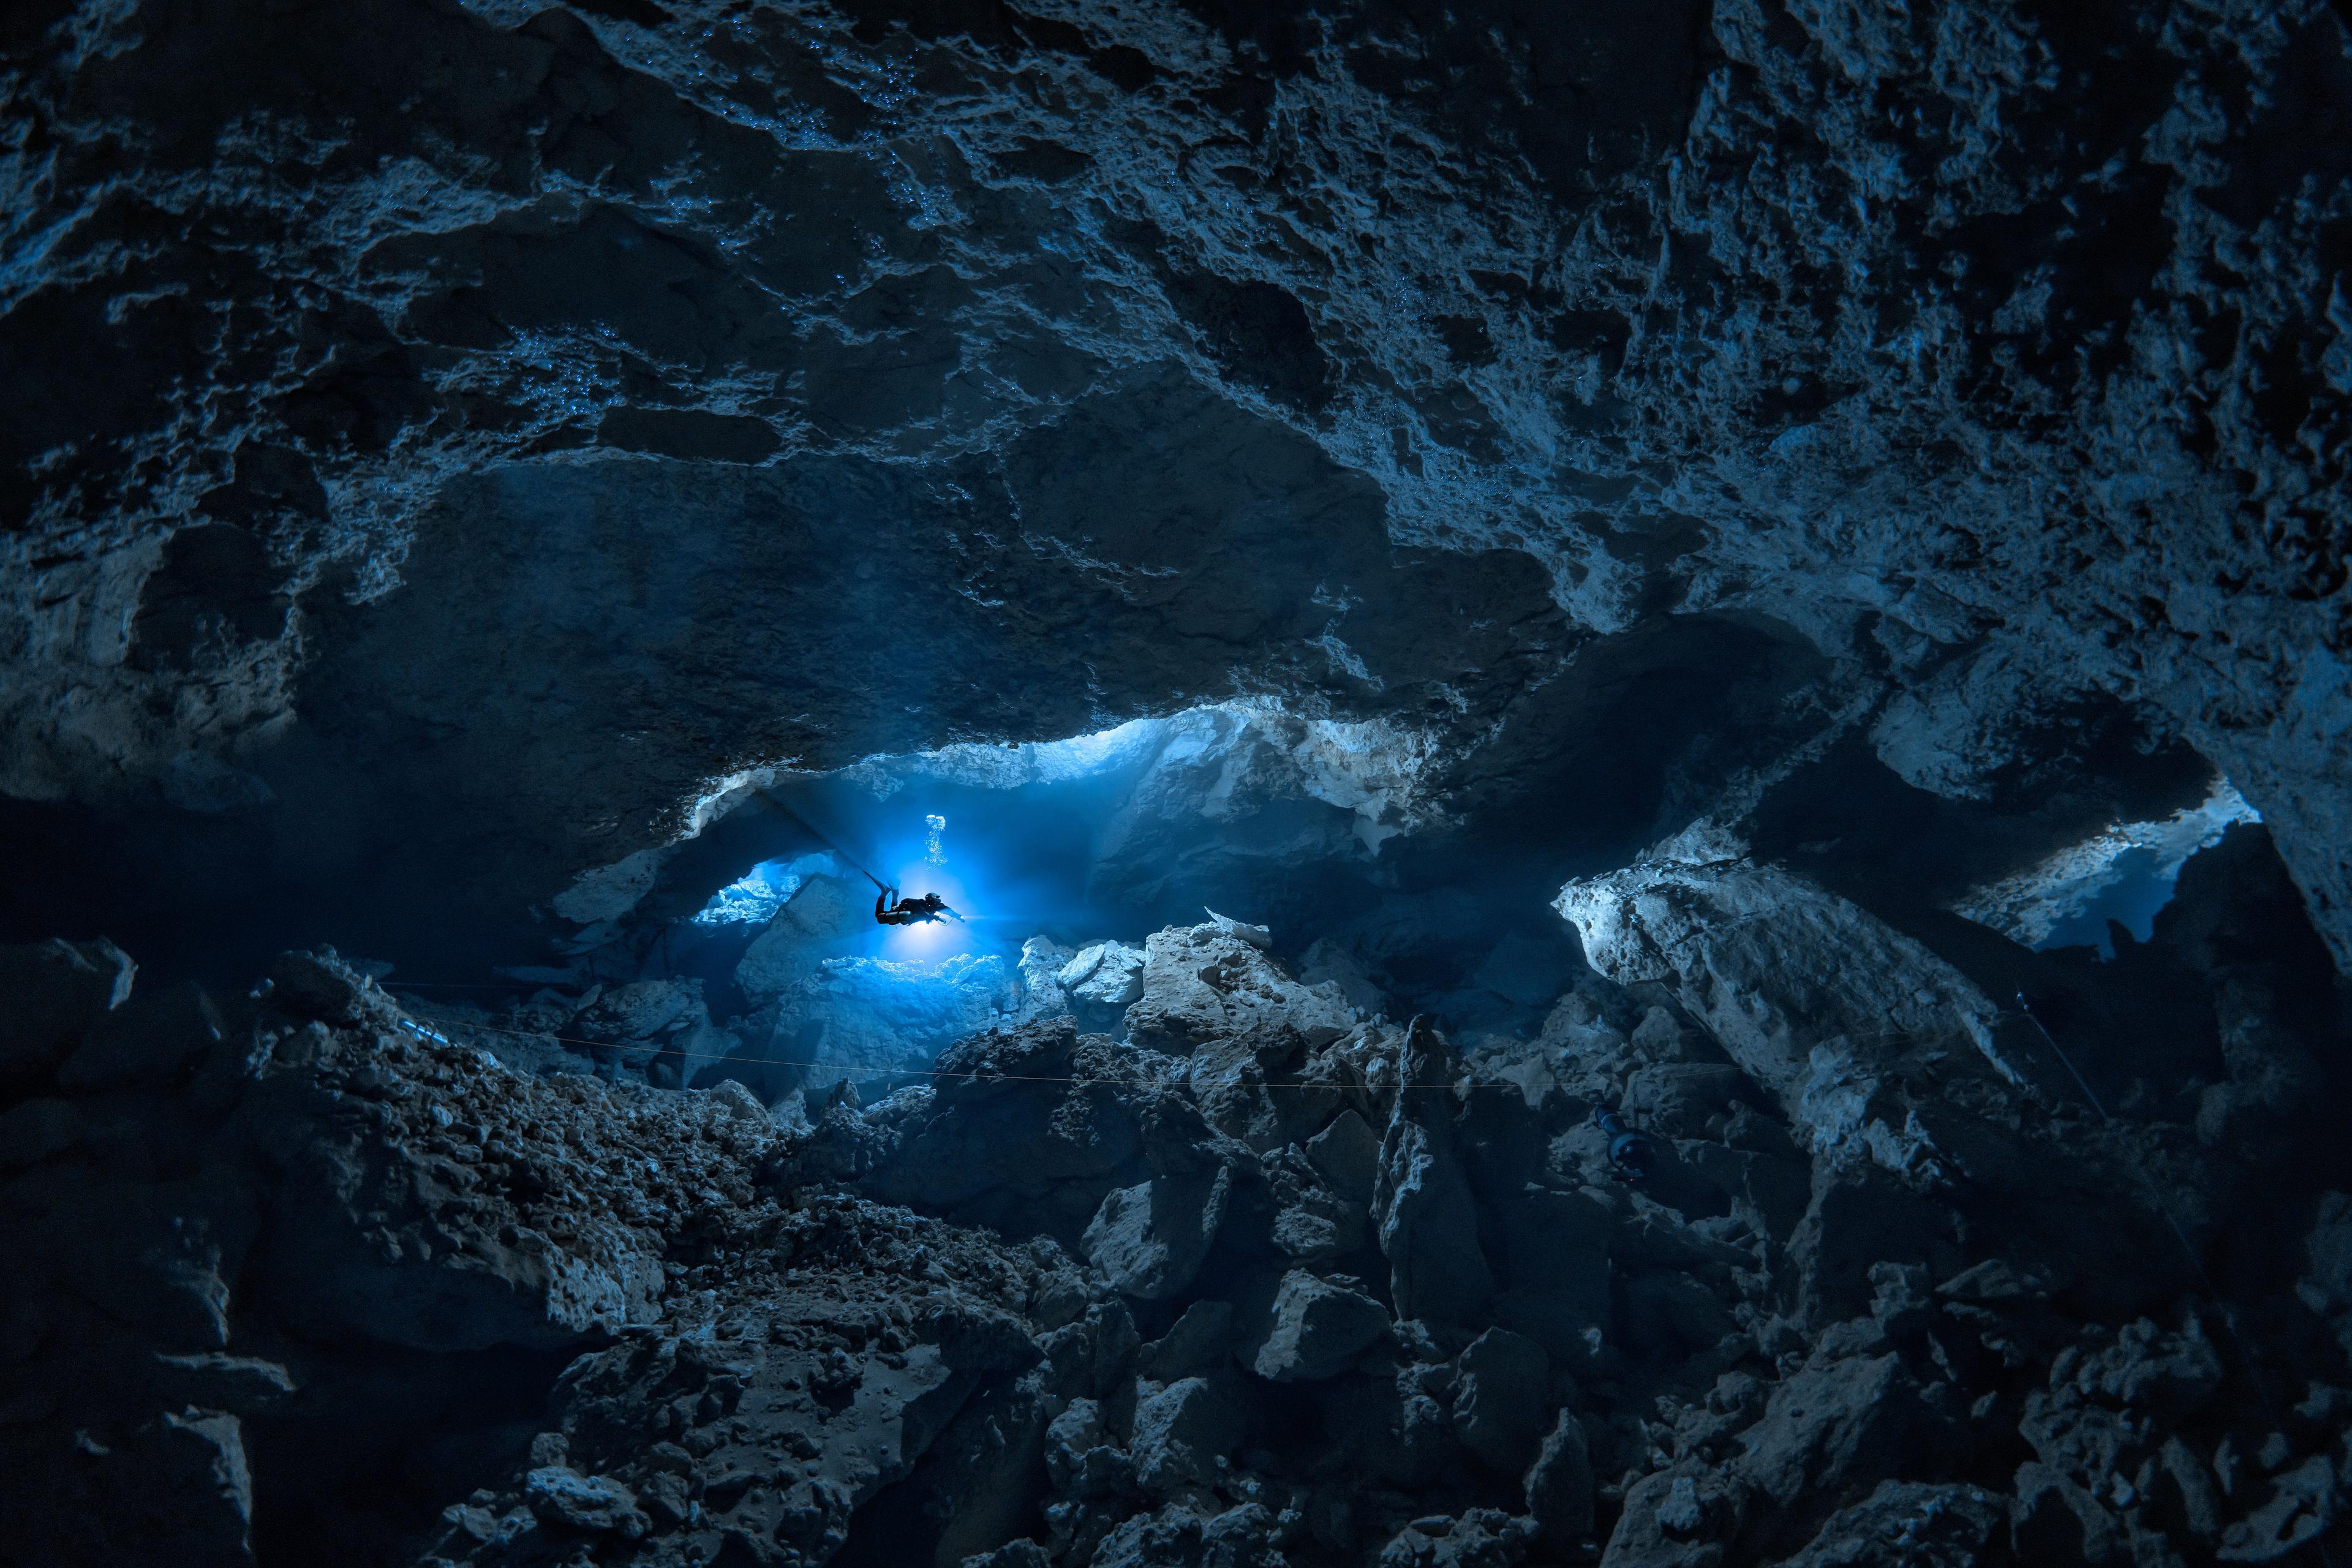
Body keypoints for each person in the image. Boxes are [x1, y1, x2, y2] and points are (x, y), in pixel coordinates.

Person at [1593, 1102, 1654, 1185]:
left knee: (1614, 1128)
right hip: (1627, 1144)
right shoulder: (1638, 1157)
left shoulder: (1635, 1158)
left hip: (1627, 1145)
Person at [873, 886, 958, 926]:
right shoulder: (921, 903)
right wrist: (930, 917)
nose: (938, 900)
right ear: (932, 898)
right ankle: (886, 893)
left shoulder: (936, 907)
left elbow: (948, 911)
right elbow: (920, 911)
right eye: (936, 897)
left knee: (890, 917)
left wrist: (959, 917)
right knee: (879, 915)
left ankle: (894, 893)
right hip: (905, 915)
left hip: (906, 918)